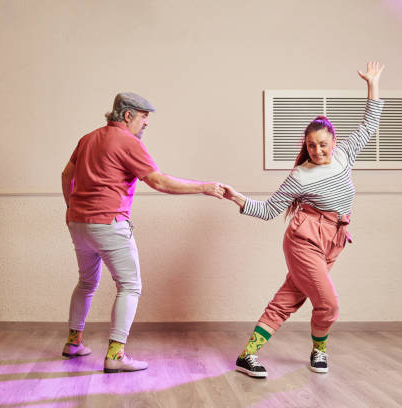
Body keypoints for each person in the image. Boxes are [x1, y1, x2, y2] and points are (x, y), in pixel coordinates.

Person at [223, 62, 385, 377]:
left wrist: (373, 84)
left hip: (333, 241)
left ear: (334, 142)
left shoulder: (345, 155)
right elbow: (270, 209)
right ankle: (318, 352)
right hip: (304, 241)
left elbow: (370, 123)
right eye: (311, 145)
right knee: (330, 304)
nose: (317, 150)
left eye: (323, 144)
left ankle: (247, 356)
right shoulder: (300, 175)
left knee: (287, 299)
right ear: (305, 146)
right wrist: (237, 198)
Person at [60, 92, 226, 373]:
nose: (146, 123)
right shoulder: (127, 141)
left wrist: (73, 209)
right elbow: (159, 182)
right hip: (109, 223)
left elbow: (67, 175)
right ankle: (116, 354)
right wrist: (204, 187)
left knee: (87, 283)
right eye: (144, 116)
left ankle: (73, 343)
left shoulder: (88, 138)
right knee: (130, 285)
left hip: (79, 224)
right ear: (128, 115)